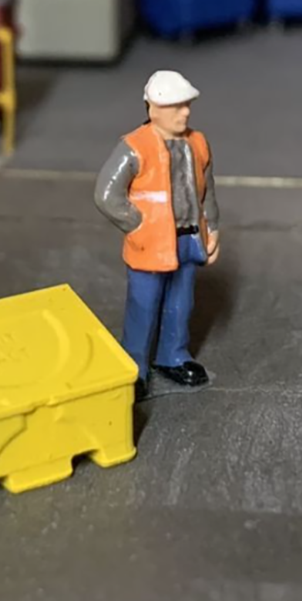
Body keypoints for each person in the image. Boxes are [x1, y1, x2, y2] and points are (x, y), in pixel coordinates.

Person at [94, 70, 220, 401]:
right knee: (143, 305)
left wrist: (212, 228)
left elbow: (207, 191)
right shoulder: (134, 147)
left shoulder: (198, 143)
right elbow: (107, 195)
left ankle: (172, 355)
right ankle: (134, 367)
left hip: (189, 238)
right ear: (153, 108)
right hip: (151, 243)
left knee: (181, 302)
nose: (185, 112)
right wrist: (137, 224)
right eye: (176, 106)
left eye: (187, 105)